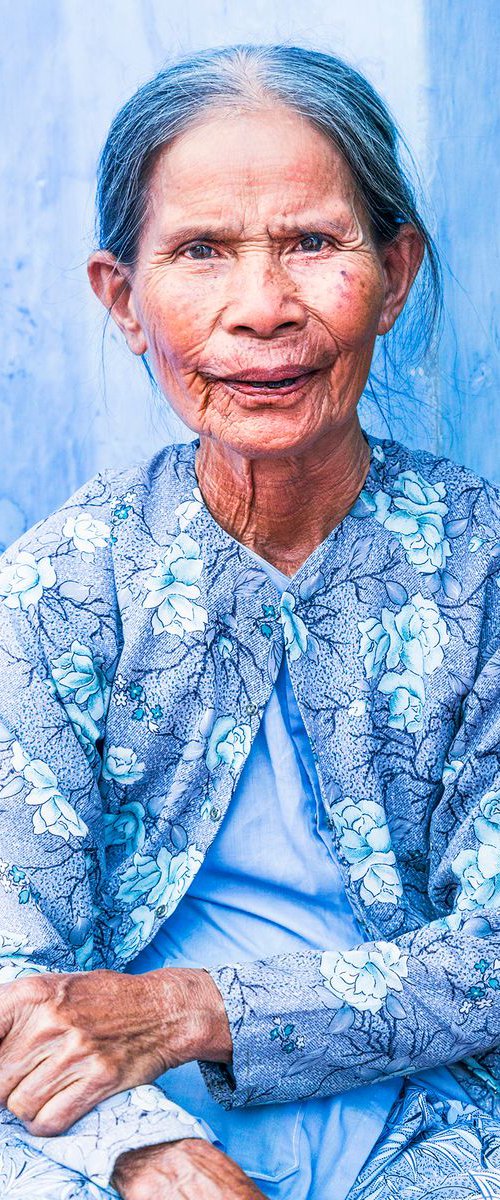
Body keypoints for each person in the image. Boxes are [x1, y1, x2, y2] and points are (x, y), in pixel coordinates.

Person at [0, 42, 499, 1200]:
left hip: (434, 1111)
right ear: (123, 298)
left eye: (312, 243)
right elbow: (15, 971)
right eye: (199, 252)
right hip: (102, 1109)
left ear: (396, 269)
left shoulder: (481, 573)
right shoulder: (57, 587)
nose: (261, 309)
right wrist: (142, 1149)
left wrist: (193, 1011)